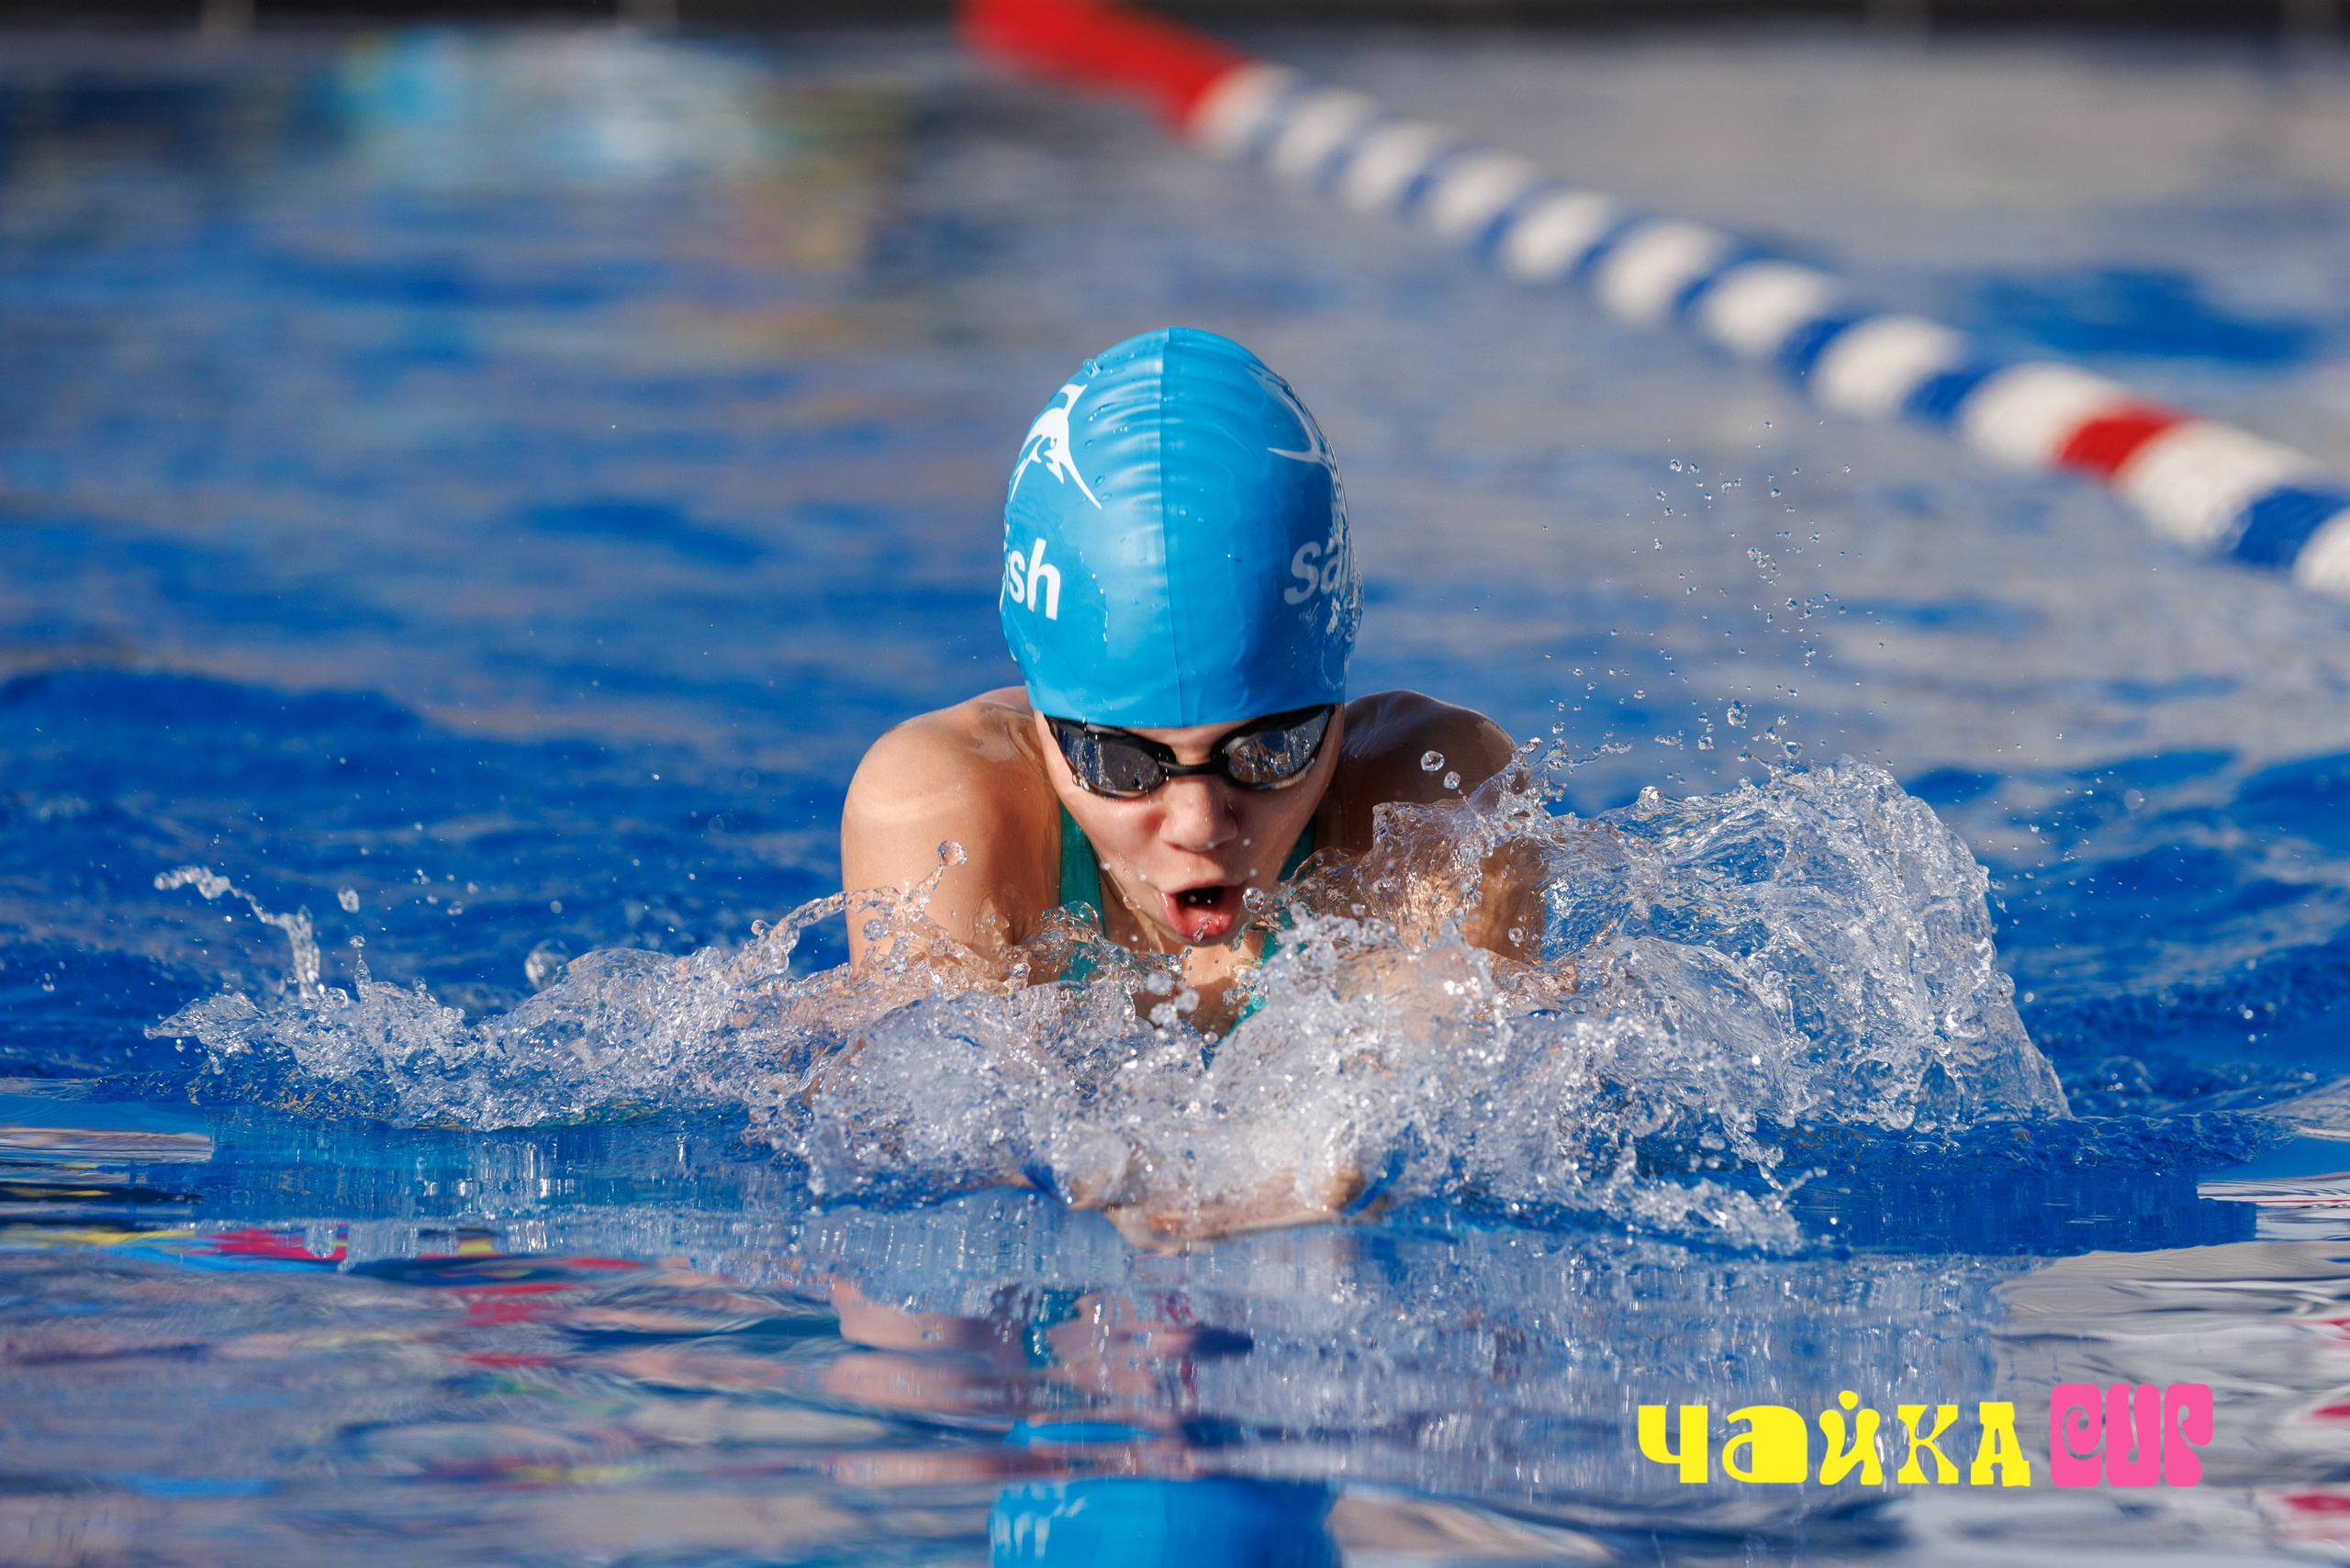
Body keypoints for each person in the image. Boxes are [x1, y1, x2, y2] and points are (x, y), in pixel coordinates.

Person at [841, 326, 1528, 1036]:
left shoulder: (1434, 803)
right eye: (1120, 763)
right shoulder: (941, 811)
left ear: (1334, 703)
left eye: (1269, 750)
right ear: (1046, 724)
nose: (1200, 825)